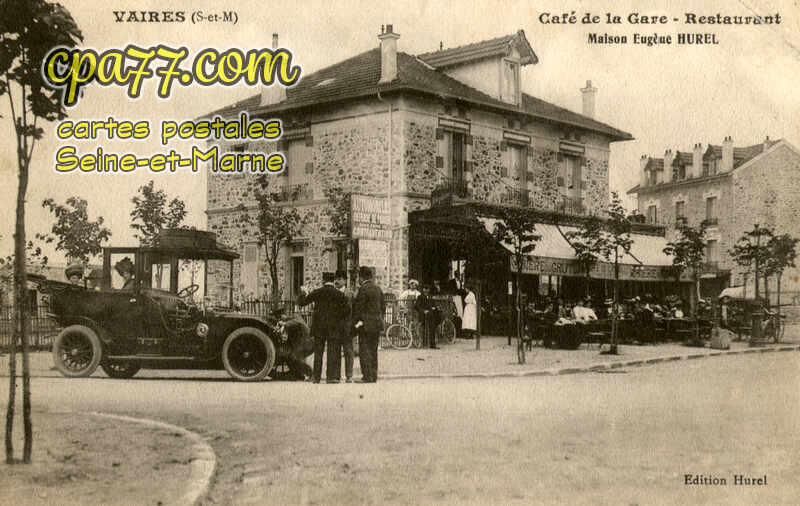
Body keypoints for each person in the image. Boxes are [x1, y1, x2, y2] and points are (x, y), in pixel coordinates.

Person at [297, 272, 351, 383]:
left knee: (318, 353)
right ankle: (331, 377)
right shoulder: (339, 294)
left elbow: (302, 303)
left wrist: (303, 292)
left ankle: (316, 377)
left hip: (319, 327)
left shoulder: (317, 292)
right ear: (333, 281)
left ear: (323, 280)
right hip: (333, 327)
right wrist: (337, 317)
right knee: (332, 352)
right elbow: (347, 310)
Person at [352, 266, 384, 383]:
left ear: (361, 277)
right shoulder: (378, 289)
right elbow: (383, 307)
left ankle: (367, 376)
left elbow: (359, 309)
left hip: (365, 325)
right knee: (373, 350)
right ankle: (374, 375)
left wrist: (356, 323)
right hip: (376, 324)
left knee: (364, 350)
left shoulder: (363, 289)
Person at [335, 271, 355, 383]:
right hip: (336, 327)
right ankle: (336, 375)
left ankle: (349, 375)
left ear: (345, 280)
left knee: (348, 351)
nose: (336, 281)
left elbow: (355, 310)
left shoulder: (350, 294)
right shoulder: (332, 293)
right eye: (336, 279)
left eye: (339, 279)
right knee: (336, 351)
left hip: (347, 327)